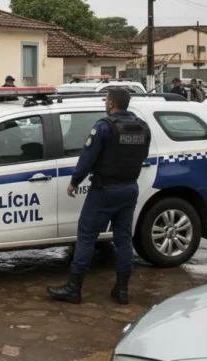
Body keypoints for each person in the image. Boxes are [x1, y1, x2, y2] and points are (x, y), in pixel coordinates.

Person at [47, 88, 150, 305]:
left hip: (104, 191)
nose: (105, 103)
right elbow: (143, 156)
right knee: (123, 239)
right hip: (129, 188)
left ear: (111, 103)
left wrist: (75, 182)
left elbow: (87, 158)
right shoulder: (142, 127)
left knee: (86, 237)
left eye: (106, 100)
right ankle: (122, 289)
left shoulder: (104, 126)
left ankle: (74, 288)